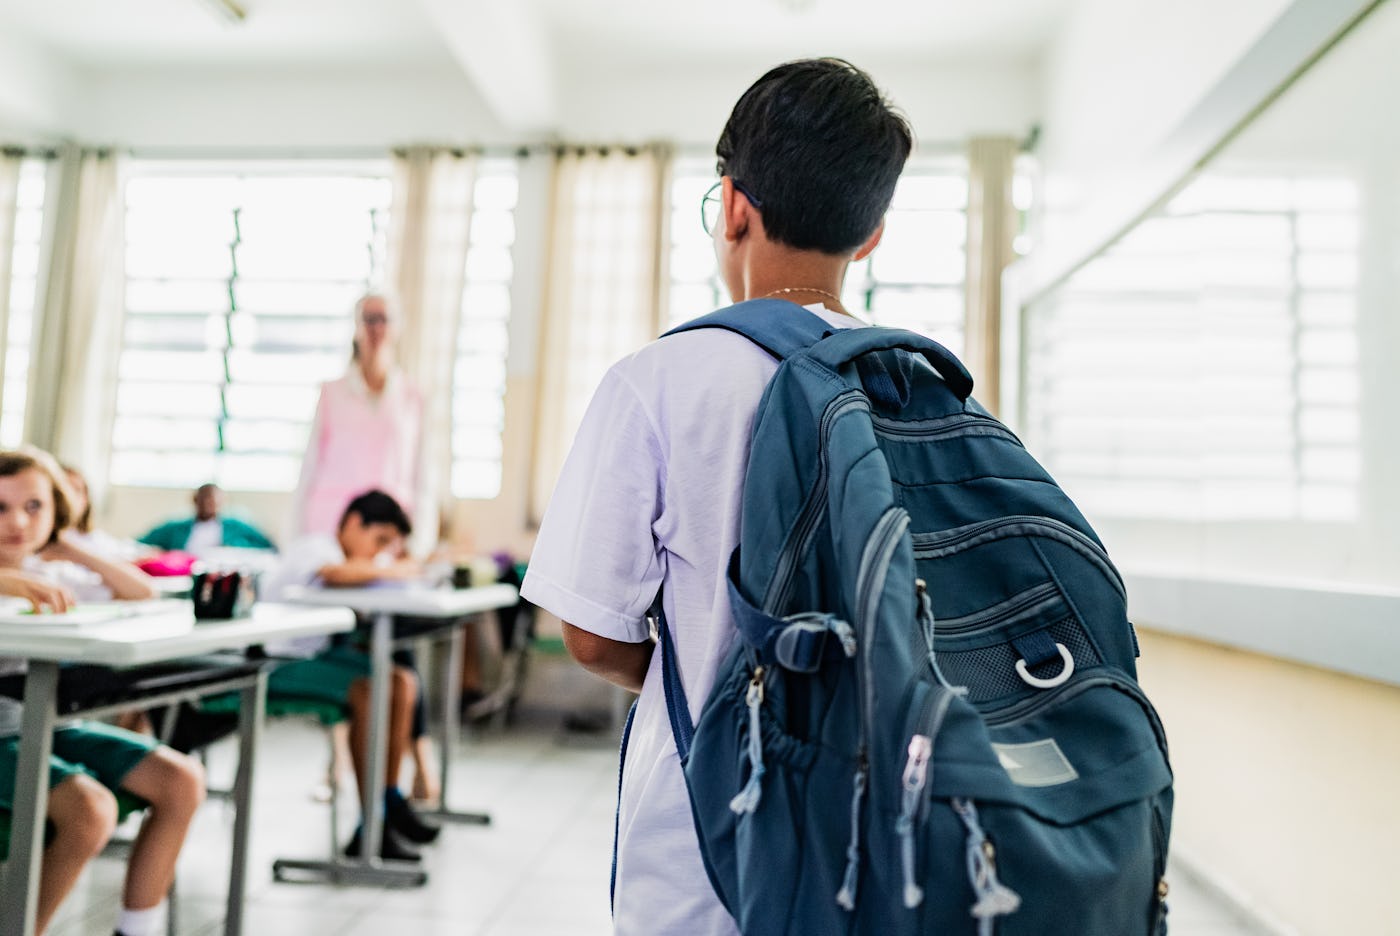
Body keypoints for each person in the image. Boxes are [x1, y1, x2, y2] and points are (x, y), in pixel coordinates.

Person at [521, 59, 911, 935]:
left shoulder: (658, 380)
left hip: (707, 846)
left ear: (733, 206)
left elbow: (591, 634)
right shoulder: (924, 386)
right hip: (887, 834)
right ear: (873, 232)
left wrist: (696, 662)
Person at [0, 448, 205, 936]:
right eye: (1, 508)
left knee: (181, 781)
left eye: (35, 507)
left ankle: (133, 930)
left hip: (41, 720)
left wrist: (69, 546)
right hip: (4, 731)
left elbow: (142, 593)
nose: (18, 523)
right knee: (92, 810)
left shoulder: (52, 575)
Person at [289, 291, 442, 800]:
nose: (376, 328)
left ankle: (411, 768)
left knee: (394, 646)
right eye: (367, 319)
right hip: (337, 536)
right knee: (344, 644)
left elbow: (421, 474)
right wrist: (300, 541)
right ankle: (339, 766)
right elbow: (310, 466)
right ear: (356, 326)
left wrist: (416, 543)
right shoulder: (333, 392)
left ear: (398, 328)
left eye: (384, 319)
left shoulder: (412, 396)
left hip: (387, 541)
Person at [261, 489, 440, 860]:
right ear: (354, 522)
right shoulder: (318, 547)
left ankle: (386, 805)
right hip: (275, 661)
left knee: (401, 682)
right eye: (379, 541)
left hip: (315, 658)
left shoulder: (347, 556)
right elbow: (334, 574)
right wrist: (398, 569)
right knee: (369, 688)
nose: (378, 553)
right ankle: (372, 819)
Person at [137, 483, 275, 554]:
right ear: (195, 501)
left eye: (213, 501)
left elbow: (266, 545)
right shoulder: (177, 527)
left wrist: (234, 547)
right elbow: (142, 543)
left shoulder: (235, 526)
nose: (209, 505)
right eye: (204, 500)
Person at [60, 463, 152, 562]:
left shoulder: (92, 537)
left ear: (86, 500)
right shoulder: (58, 541)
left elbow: (122, 549)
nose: (69, 496)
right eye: (64, 489)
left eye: (77, 490)